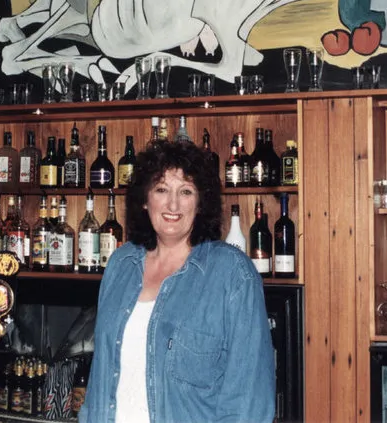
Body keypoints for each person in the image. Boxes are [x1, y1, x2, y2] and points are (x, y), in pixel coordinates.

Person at [79, 139, 275, 423]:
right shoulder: (121, 264)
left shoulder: (232, 274)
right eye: (161, 189)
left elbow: (249, 403)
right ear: (144, 200)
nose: (173, 204)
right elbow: (99, 380)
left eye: (186, 191)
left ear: (200, 202)